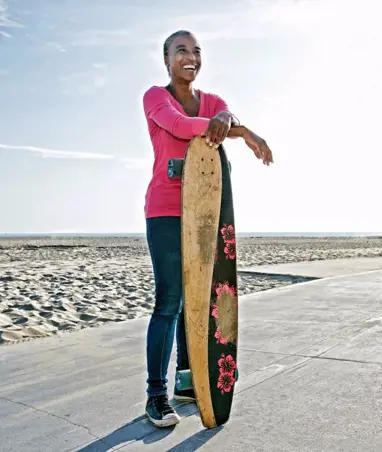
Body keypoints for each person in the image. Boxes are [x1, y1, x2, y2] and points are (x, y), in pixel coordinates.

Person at [141, 29, 274, 427]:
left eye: (196, 51)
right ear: (166, 60)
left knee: (198, 300)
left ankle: (187, 380)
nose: (190, 56)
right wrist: (239, 130)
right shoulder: (155, 97)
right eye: (181, 50)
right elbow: (181, 127)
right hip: (165, 210)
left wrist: (231, 121)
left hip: (206, 209)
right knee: (170, 300)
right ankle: (155, 395)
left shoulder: (213, 102)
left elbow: (225, 113)